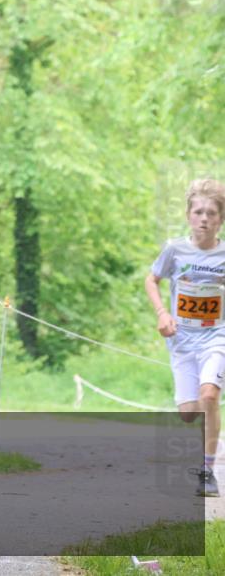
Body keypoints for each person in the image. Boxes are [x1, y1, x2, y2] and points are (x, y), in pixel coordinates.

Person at [144, 178, 225, 497]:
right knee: (189, 412)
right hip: (181, 342)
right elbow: (152, 280)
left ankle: (207, 472)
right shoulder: (174, 250)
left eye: (212, 213)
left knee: (209, 395)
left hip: (216, 338)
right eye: (199, 212)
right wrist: (163, 314)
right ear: (189, 216)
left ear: (221, 219)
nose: (205, 218)